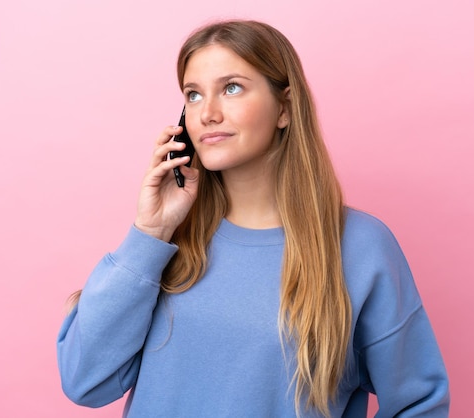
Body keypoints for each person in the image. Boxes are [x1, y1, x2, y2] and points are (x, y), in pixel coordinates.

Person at [57, 19, 450, 418]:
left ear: (285, 107)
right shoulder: (165, 244)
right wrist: (151, 232)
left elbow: (419, 402)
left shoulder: (360, 247)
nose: (207, 113)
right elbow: (84, 380)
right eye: (193, 95)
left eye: (231, 88)